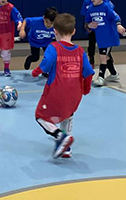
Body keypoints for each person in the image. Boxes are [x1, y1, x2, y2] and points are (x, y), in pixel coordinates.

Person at [32, 13, 94, 159]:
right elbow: (88, 72)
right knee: (68, 115)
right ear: (73, 31)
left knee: (41, 117)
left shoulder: (53, 47)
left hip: (56, 91)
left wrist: (36, 72)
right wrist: (86, 89)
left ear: (55, 31)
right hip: (75, 93)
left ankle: (59, 136)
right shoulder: (80, 51)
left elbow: (47, 63)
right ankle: (66, 149)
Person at [85, 0, 126, 87]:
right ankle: (114, 74)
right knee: (106, 57)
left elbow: (116, 17)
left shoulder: (106, 7)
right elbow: (87, 23)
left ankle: (101, 77)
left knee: (102, 56)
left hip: (109, 36)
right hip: (100, 37)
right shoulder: (90, 9)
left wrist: (118, 25)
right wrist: (90, 25)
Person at [80, 0, 114, 68]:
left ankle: (110, 65)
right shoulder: (87, 1)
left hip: (103, 29)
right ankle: (91, 59)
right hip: (93, 27)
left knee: (104, 49)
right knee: (91, 43)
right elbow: (85, 16)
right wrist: (88, 26)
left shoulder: (106, 2)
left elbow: (112, 15)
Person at [19, 7, 58, 74]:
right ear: (43, 18)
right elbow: (26, 20)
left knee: (49, 58)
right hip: (34, 41)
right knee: (35, 57)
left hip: (46, 42)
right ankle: (29, 59)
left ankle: (45, 71)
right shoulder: (37, 21)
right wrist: (22, 30)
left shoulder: (57, 25)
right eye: (47, 22)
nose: (49, 25)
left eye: (52, 24)